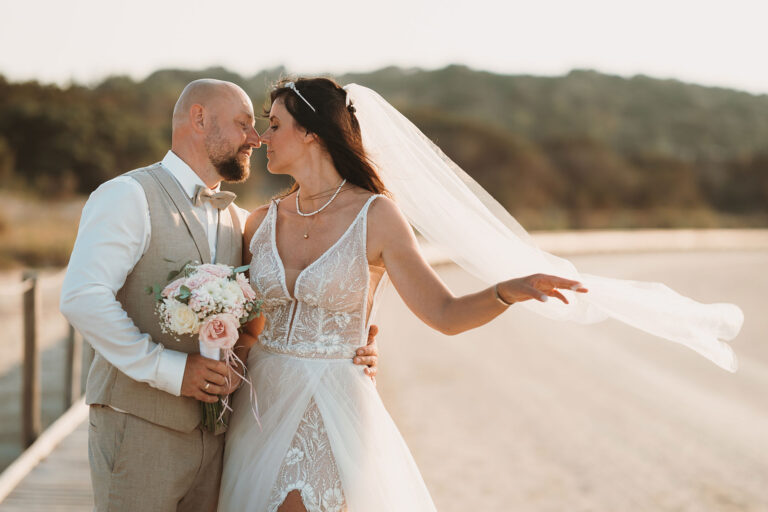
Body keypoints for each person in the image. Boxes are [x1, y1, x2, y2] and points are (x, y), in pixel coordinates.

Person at [218, 78, 588, 511]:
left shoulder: (376, 215)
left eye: (275, 125)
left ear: (311, 132)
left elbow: (444, 313)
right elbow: (249, 329)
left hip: (332, 403)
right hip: (260, 406)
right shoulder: (258, 221)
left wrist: (506, 291)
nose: (262, 138)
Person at [60, 78, 379, 512]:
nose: (256, 137)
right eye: (244, 124)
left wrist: (349, 346)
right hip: (138, 429)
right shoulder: (128, 195)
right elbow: (83, 297)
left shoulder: (242, 220)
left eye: (259, 126)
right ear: (199, 119)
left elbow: (269, 322)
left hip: (221, 440)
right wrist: (171, 370)